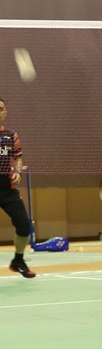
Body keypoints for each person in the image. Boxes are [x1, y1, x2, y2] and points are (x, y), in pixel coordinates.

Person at [0, 98, 35, 278]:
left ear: (5, 113)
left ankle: (18, 261)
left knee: (24, 225)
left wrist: (18, 170)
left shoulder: (11, 136)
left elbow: (18, 157)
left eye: (1, 109)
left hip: (6, 188)